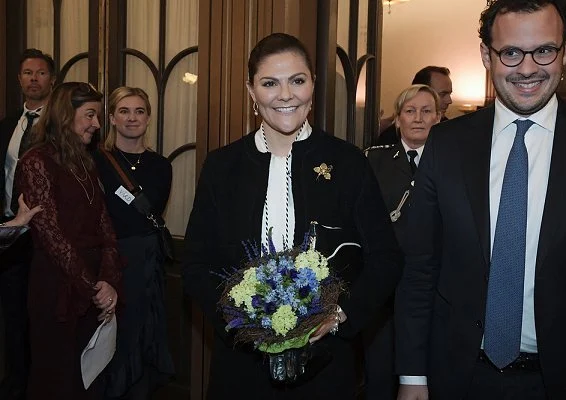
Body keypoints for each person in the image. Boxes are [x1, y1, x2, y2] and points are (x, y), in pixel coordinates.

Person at [182, 32, 401, 399]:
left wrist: (340, 317)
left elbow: (386, 259)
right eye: (270, 83)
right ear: (251, 91)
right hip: (241, 369)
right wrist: (239, 322)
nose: (285, 95)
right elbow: (194, 264)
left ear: (312, 85)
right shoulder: (222, 166)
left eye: (297, 80)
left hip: (326, 367)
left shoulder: (349, 163)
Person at [395, 0, 566, 399]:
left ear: (565, 51)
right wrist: (412, 376)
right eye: (510, 52)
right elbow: (419, 268)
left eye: (543, 50)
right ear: (486, 55)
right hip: (459, 376)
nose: (526, 68)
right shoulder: (447, 145)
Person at [16, 82, 121, 400]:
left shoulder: (85, 161)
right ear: (65, 115)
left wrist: (109, 280)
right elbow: (51, 236)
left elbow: (106, 226)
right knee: (57, 378)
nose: (97, 124)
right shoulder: (36, 161)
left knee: (89, 381)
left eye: (98, 116)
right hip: (56, 284)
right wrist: (92, 286)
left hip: (93, 284)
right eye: (90, 115)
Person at [93, 86, 174, 399]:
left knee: (142, 336)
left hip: (144, 262)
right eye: (124, 111)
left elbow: (143, 214)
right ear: (111, 117)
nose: (132, 118)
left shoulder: (160, 166)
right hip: (106, 262)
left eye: (139, 111)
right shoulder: (96, 161)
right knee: (110, 339)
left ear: (148, 118)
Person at [363, 84, 440, 400]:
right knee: (379, 373)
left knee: (428, 376)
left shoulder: (454, 164)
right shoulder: (373, 161)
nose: (418, 118)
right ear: (397, 119)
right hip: (385, 292)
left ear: (439, 117)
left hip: (433, 289)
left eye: (426, 111)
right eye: (410, 111)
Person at [0, 48, 55, 400]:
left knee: (45, 316)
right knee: (13, 315)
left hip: (48, 237)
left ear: (52, 80)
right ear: (19, 79)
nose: (33, 78)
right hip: (9, 235)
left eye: (40, 73)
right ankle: (16, 383)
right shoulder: (8, 126)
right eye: (27, 72)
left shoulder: (58, 127)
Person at [377, 66, 452, 145]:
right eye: (443, 94)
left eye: (426, 111)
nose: (449, 101)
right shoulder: (389, 139)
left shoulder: (453, 132)